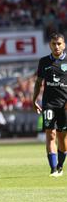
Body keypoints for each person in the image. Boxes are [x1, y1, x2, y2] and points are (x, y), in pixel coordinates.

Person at [33, 32, 67, 177]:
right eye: (54, 44)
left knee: (62, 137)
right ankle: (53, 168)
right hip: (49, 104)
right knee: (50, 134)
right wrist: (34, 99)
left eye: (59, 43)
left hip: (65, 105)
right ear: (50, 45)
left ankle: (60, 165)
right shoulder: (44, 61)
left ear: (64, 44)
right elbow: (38, 82)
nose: (56, 46)